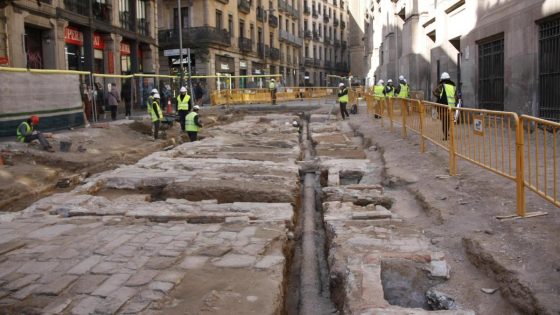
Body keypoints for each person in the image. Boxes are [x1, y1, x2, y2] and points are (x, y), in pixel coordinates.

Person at [432, 72, 457, 141]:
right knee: (448, 121)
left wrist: (439, 96)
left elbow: (435, 92)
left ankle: (445, 136)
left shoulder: (441, 86)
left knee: (444, 121)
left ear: (442, 79)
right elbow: (456, 96)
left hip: (443, 106)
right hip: (452, 107)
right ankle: (447, 132)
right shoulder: (453, 86)